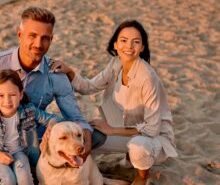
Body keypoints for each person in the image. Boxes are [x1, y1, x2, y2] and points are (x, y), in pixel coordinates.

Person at [0, 6, 105, 163]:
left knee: (95, 136)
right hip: (0, 138)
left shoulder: (56, 74)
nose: (38, 44)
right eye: (32, 36)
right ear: (20, 35)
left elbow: (75, 118)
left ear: (51, 39)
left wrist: (87, 142)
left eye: (45, 38)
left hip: (37, 139)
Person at [50, 20, 178, 185]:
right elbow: (89, 87)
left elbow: (152, 130)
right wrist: (69, 71)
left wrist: (111, 129)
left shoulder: (147, 77)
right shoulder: (116, 63)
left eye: (136, 42)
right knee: (86, 140)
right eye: (124, 40)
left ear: (143, 47)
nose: (129, 46)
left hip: (153, 139)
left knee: (138, 147)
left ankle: (142, 177)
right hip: (125, 130)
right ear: (116, 44)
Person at [0, 69, 62, 185]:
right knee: (9, 180)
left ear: (20, 94)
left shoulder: (28, 110)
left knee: (24, 180)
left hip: (19, 151)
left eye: (12, 95)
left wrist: (50, 128)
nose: (7, 101)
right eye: (1, 95)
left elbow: (53, 118)